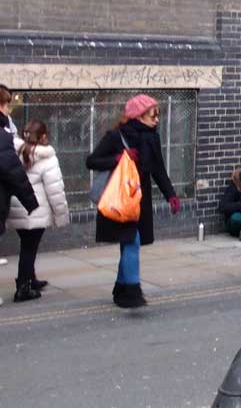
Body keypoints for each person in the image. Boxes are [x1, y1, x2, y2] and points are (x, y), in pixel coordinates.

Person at [86, 94, 181, 308]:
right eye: (152, 115)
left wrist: (171, 195)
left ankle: (121, 289)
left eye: (158, 115)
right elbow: (91, 161)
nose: (157, 119)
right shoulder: (116, 136)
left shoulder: (152, 138)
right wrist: (118, 158)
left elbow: (158, 169)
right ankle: (132, 291)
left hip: (140, 201)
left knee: (129, 243)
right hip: (121, 199)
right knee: (131, 241)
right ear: (138, 116)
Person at [7, 120, 69, 302]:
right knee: (29, 248)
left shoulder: (14, 151)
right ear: (43, 136)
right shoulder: (48, 158)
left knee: (26, 245)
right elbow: (55, 191)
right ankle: (23, 287)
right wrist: (61, 214)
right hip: (36, 209)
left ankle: (30, 279)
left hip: (17, 206)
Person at [0, 86, 38, 243]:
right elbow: (13, 171)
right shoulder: (3, 136)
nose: (8, 111)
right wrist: (31, 202)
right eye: (6, 105)